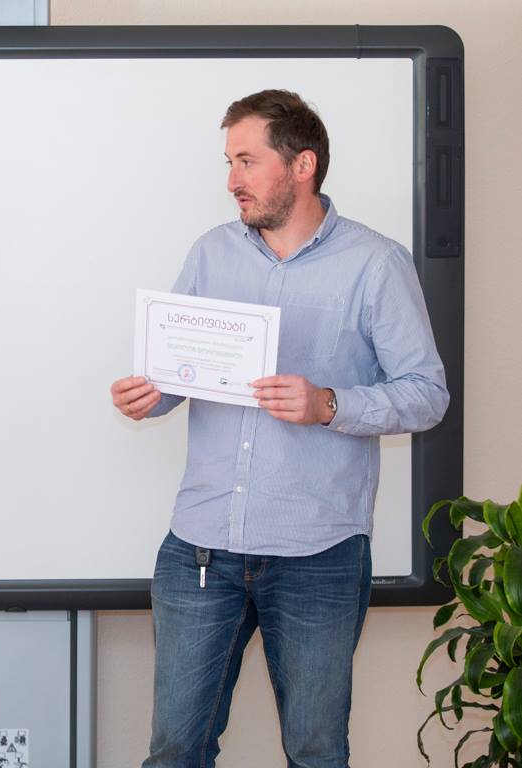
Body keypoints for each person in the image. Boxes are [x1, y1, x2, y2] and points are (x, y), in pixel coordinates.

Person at [110, 90, 449, 768]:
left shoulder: (375, 263)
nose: (231, 180)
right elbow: (178, 374)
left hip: (317, 554)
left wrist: (328, 404)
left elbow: (426, 395)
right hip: (201, 549)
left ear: (302, 164)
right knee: (173, 751)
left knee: (315, 753)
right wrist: (150, 395)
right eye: (228, 162)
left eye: (246, 160)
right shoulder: (211, 253)